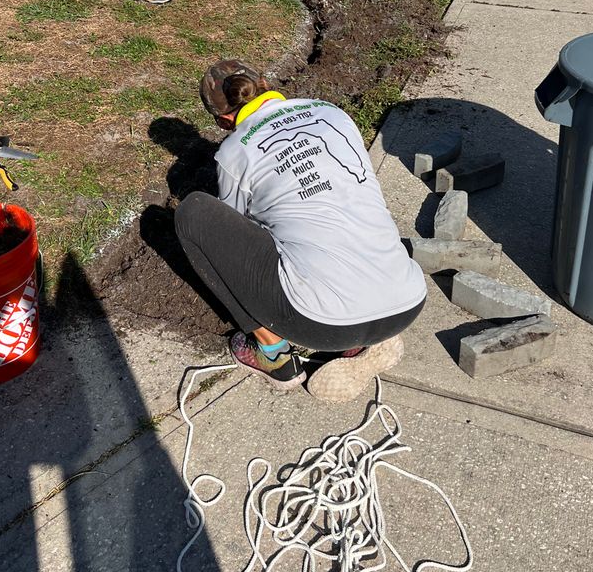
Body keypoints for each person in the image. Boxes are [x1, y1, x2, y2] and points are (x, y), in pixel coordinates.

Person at [174, 60, 427, 403]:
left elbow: (240, 237)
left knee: (195, 213)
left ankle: (273, 354)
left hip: (321, 324)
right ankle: (358, 343)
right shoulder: (332, 114)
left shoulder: (234, 153)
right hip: (406, 302)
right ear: (266, 84)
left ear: (223, 121)